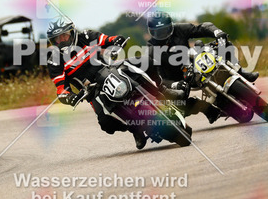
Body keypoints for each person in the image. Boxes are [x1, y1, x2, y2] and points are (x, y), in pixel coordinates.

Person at [47, 17, 177, 150]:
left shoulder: (86, 36)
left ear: (72, 32)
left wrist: (116, 40)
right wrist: (69, 97)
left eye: (64, 36)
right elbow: (61, 89)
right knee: (106, 124)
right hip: (92, 90)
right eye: (57, 39)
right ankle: (134, 129)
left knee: (146, 61)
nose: (61, 41)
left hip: (111, 69)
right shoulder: (54, 60)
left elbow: (107, 39)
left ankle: (162, 90)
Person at [146, 11, 259, 123]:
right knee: (177, 105)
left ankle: (240, 71)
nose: (162, 35)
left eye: (164, 30)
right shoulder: (151, 50)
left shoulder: (179, 29)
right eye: (157, 33)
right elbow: (158, 78)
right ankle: (207, 108)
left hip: (194, 62)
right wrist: (174, 84)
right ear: (151, 32)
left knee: (225, 45)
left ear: (171, 26)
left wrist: (217, 32)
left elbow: (202, 28)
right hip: (178, 79)